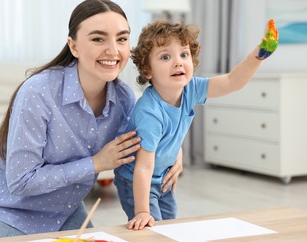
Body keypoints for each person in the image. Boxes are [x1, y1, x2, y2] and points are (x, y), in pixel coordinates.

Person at [0, 0, 183, 239]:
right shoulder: (38, 92)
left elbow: (145, 136)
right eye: (98, 39)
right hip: (9, 211)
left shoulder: (124, 98)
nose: (113, 50)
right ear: (73, 46)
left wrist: (174, 149)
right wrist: (96, 163)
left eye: (122, 39)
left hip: (65, 211)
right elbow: (20, 181)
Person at [114, 19, 278, 230]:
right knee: (150, 227)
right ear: (147, 71)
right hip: (135, 178)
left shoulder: (191, 88)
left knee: (169, 227)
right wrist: (142, 211)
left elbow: (232, 81)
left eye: (184, 54)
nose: (178, 62)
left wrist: (259, 55)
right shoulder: (149, 112)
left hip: (162, 174)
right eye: (165, 57)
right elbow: (143, 167)